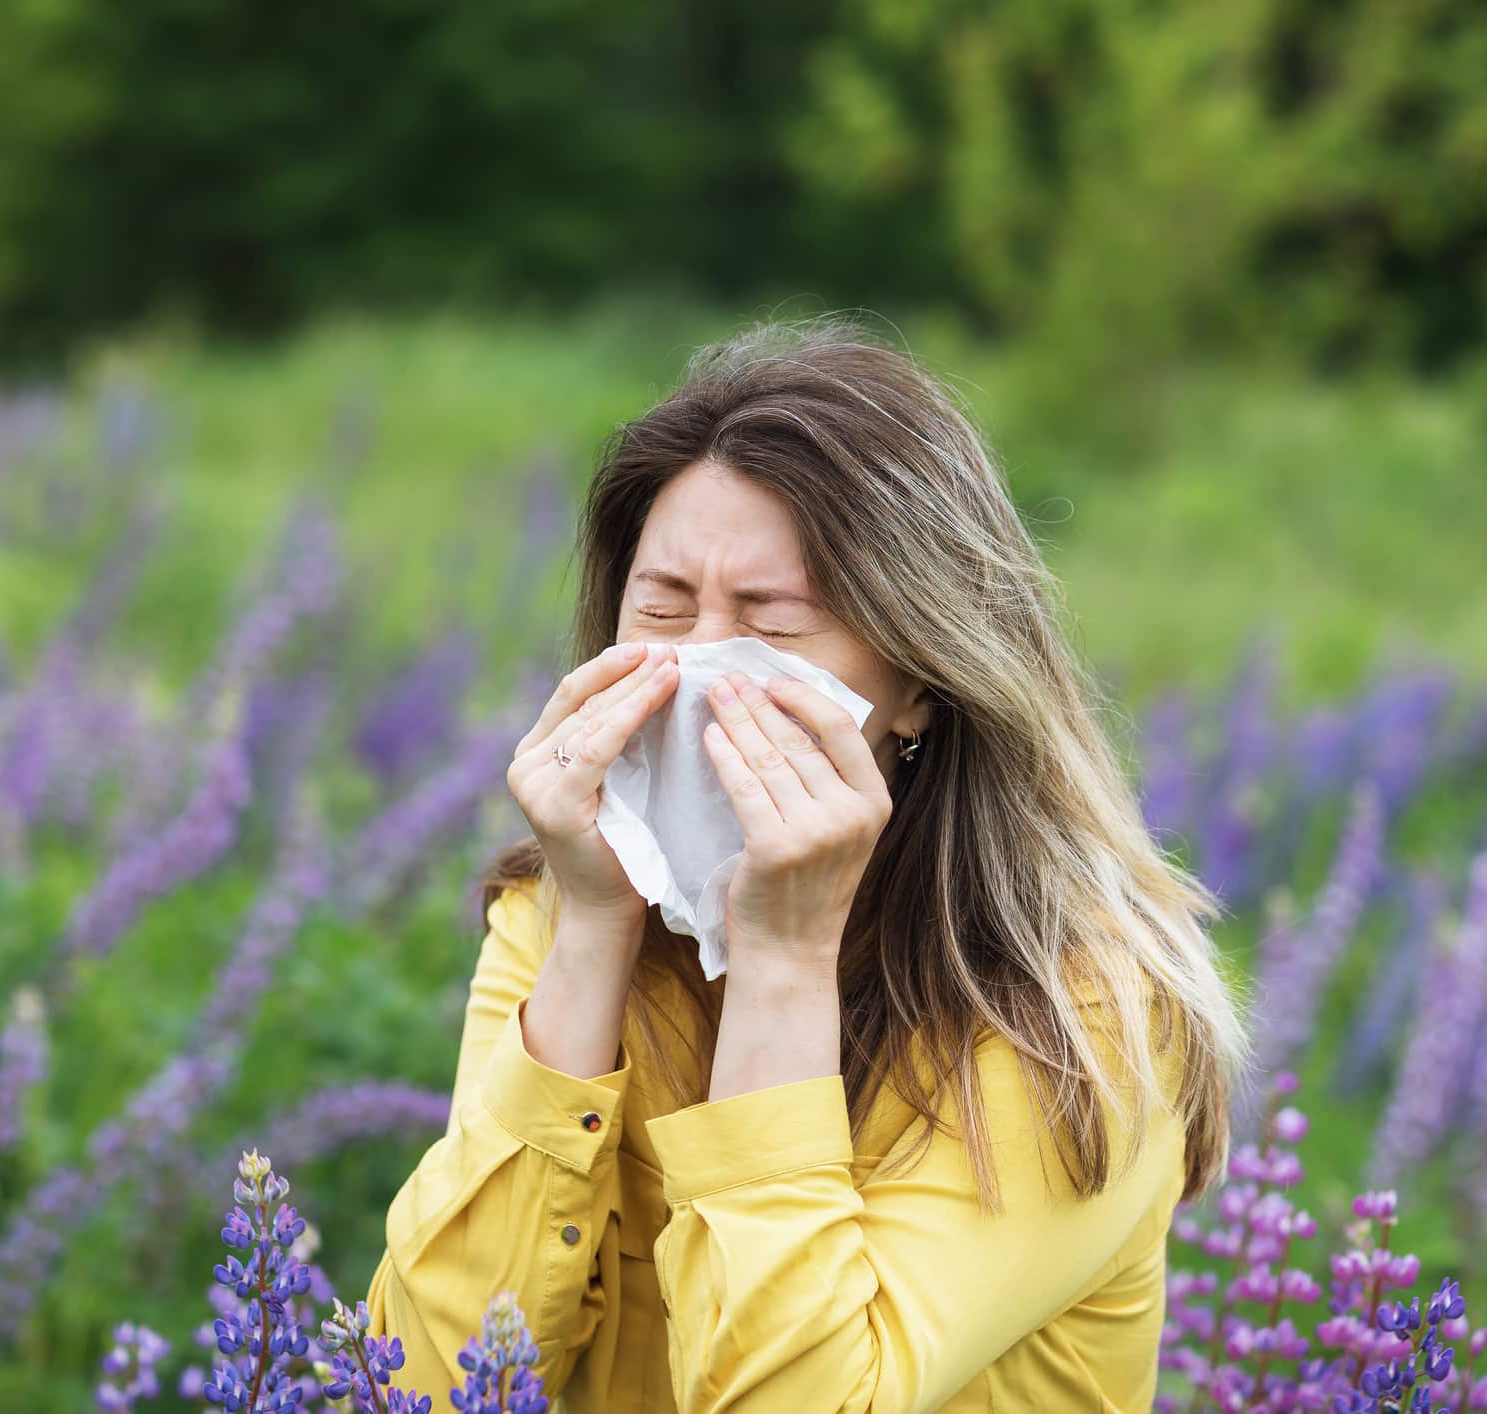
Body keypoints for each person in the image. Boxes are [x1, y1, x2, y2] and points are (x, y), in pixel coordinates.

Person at [364, 313, 1247, 1412]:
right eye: (664, 606)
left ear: (923, 681)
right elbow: (425, 1385)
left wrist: (781, 960)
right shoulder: (565, 916)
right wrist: (590, 936)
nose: (695, 668)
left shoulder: (1078, 1013)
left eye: (770, 625)